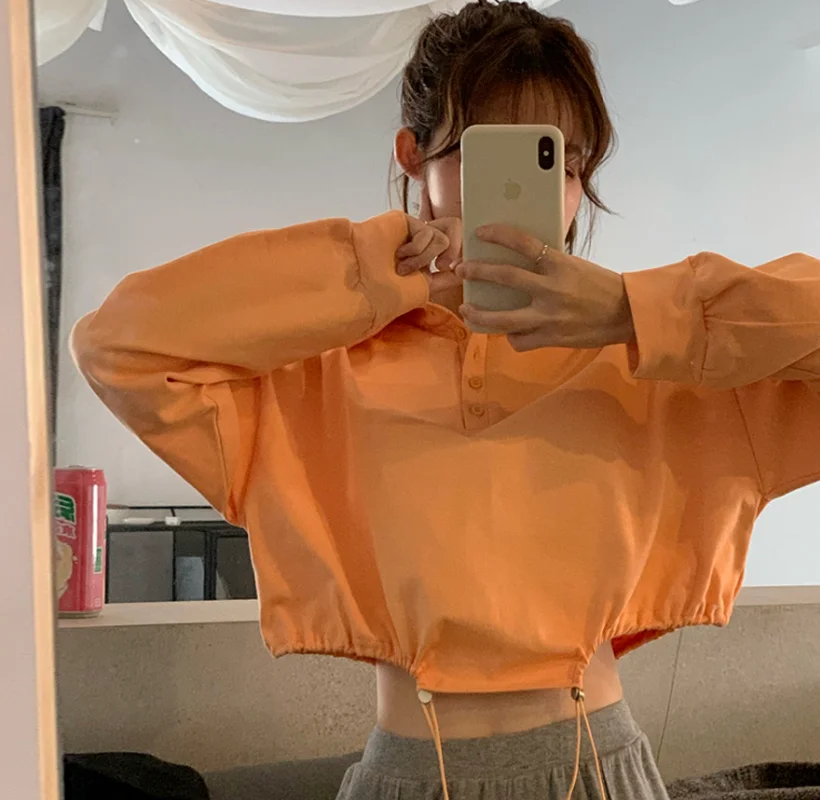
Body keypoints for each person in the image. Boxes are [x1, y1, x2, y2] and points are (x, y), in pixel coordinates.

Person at [71, 2, 820, 799]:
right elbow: (118, 344)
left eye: (563, 163)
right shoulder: (320, 377)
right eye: (492, 153)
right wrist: (376, 270)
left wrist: (638, 312)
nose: (539, 190)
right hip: (404, 777)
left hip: (599, 773)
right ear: (413, 156)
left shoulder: (657, 366)